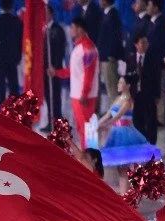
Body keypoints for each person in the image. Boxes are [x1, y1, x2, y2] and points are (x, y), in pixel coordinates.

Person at [52, 17, 100, 147]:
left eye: (72, 27)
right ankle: (86, 154)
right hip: (77, 95)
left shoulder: (88, 47)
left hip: (84, 96)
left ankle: (91, 157)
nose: (71, 30)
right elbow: (73, 70)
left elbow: (89, 74)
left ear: (80, 29)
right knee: (81, 127)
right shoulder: (78, 47)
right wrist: (56, 73)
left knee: (87, 128)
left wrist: (84, 93)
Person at [98, 75, 162, 168]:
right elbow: (108, 114)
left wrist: (104, 125)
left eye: (121, 83)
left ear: (128, 86)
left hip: (125, 134)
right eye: (118, 82)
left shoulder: (128, 101)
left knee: (124, 167)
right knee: (120, 168)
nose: (118, 85)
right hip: (115, 131)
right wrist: (97, 124)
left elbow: (117, 117)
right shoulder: (117, 99)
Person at [0, 0, 23, 105]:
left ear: (0, 7)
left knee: (0, 85)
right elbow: (20, 41)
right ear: (11, 6)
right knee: (13, 86)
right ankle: (15, 111)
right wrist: (18, 56)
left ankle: (2, 112)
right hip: (12, 59)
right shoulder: (17, 22)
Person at [128, 33, 161, 143]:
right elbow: (128, 78)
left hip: (149, 94)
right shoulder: (131, 59)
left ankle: (152, 143)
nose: (145, 45)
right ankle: (143, 140)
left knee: (151, 120)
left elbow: (157, 78)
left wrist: (157, 95)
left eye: (146, 42)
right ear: (136, 44)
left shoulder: (153, 58)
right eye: (142, 42)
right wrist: (129, 95)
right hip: (136, 95)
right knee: (137, 121)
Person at [43, 4, 68, 129]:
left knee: (55, 95)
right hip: (44, 69)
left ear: (51, 14)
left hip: (54, 69)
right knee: (48, 95)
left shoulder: (57, 30)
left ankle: (57, 121)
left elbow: (60, 51)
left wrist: (55, 67)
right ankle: (50, 120)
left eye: (46, 12)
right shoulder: (43, 29)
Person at [99, 0, 125, 113]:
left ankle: (116, 114)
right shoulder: (107, 14)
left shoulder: (113, 15)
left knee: (112, 88)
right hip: (106, 56)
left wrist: (110, 55)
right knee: (109, 88)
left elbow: (115, 37)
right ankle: (113, 112)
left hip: (109, 58)